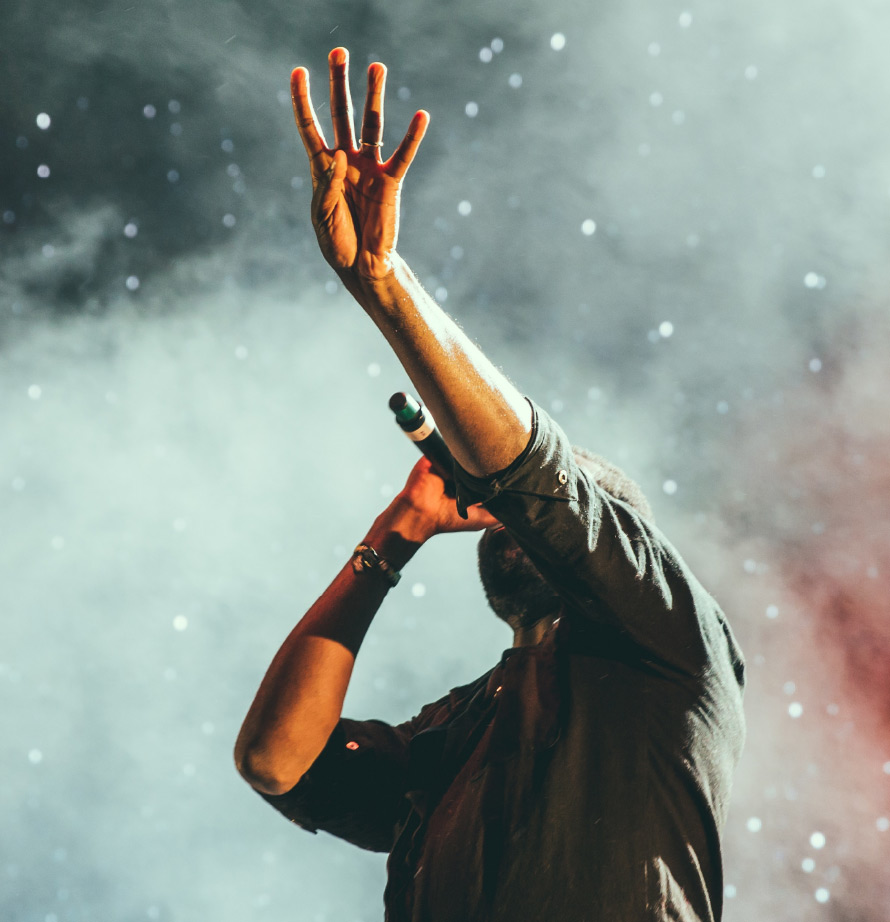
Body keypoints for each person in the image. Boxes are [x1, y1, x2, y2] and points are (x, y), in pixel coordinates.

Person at [235, 47, 746, 922]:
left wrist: (384, 286)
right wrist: (397, 531)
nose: (504, 513)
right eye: (499, 510)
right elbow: (277, 761)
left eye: (538, 512)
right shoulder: (460, 724)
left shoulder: (669, 634)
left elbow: (537, 474)